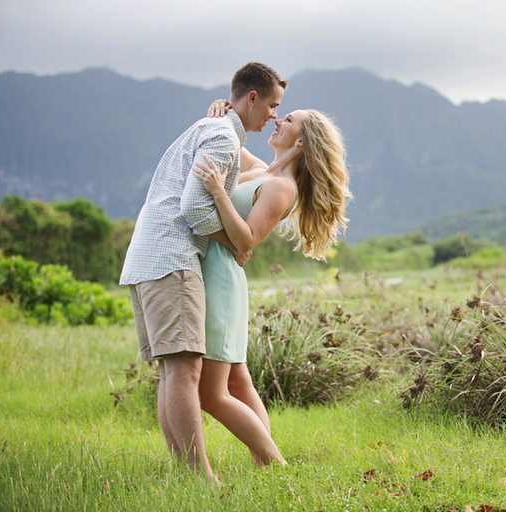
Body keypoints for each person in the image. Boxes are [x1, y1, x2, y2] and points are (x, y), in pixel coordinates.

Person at [119, 62, 287, 480]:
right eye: (272, 105)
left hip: (150, 258)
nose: (273, 115)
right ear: (251, 98)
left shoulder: (214, 128)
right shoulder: (221, 135)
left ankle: (186, 471)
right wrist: (235, 245)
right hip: (172, 259)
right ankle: (202, 478)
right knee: (185, 370)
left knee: (173, 370)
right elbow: (193, 207)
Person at [193, 101, 351, 467]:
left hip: (221, 281)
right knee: (238, 384)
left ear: (302, 143)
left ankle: (274, 464)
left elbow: (247, 239)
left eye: (289, 119)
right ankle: (265, 465)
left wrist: (218, 192)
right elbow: (232, 140)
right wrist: (222, 109)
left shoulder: (281, 187)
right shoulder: (264, 170)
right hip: (216, 274)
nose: (279, 119)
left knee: (210, 394)